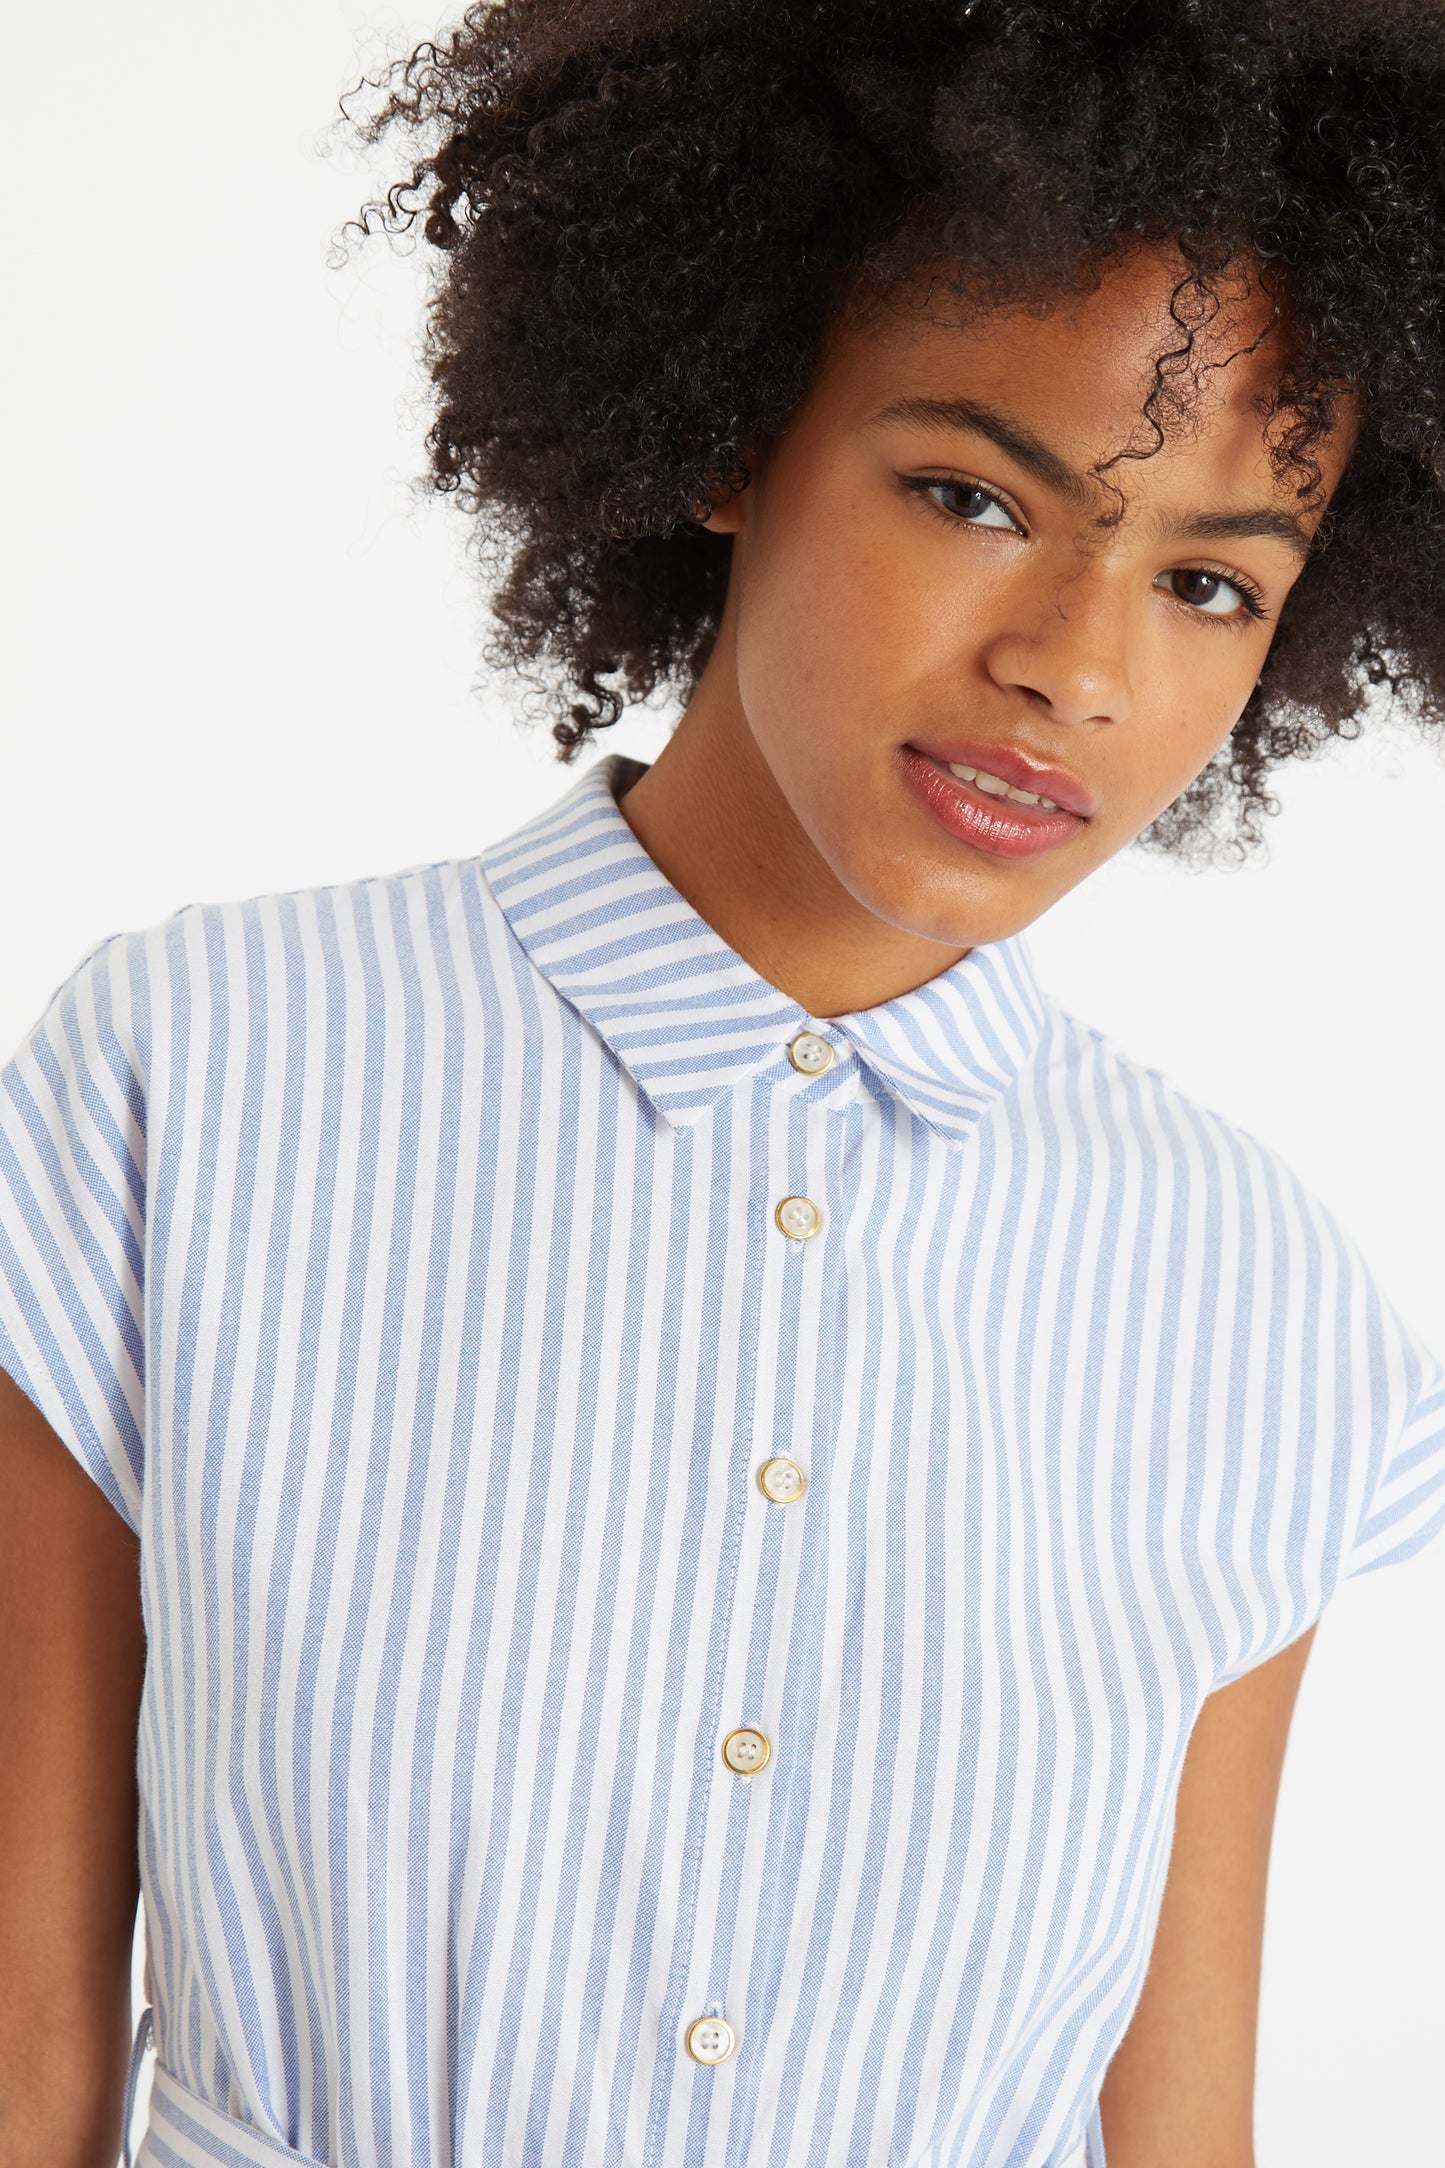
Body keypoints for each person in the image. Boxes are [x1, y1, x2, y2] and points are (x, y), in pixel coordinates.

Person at [3, 2, 1444, 2163]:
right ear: (731, 426)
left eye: (1207, 580)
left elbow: (1176, 2124)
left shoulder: (1256, 1299)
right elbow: (25, 2055)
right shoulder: (195, 1076)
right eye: (970, 494)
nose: (1076, 663)